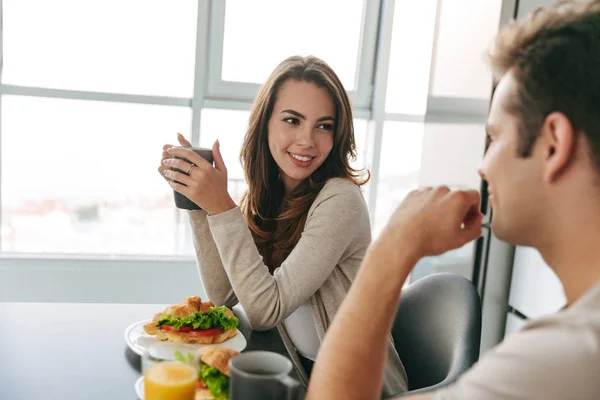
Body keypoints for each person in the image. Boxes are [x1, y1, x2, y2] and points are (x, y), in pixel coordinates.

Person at [306, 1, 600, 399]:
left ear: (553, 146)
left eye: (495, 138)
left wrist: (393, 247)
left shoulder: (559, 362)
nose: (484, 167)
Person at [158, 56, 408, 394]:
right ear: (266, 124)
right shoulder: (267, 196)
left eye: (324, 125)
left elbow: (264, 311)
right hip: (300, 380)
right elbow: (224, 294)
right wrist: (199, 204)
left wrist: (220, 207)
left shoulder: (341, 200)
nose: (307, 140)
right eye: (292, 120)